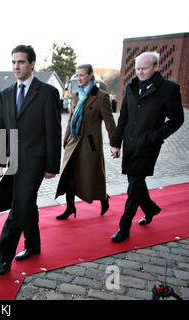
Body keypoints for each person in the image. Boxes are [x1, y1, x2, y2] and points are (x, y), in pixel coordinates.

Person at [0, 45, 61, 276]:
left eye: (21, 62)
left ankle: (3, 260)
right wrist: (0, 160)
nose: (16, 66)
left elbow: (54, 130)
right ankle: (33, 244)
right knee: (27, 203)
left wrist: (52, 165)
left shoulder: (48, 92)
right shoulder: (7, 93)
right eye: (13, 62)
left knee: (19, 205)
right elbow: (1, 128)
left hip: (36, 161)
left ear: (32, 64)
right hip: (14, 161)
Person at [110, 51, 184, 242]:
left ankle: (124, 228)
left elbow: (177, 119)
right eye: (137, 68)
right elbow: (123, 117)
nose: (140, 72)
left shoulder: (168, 89)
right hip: (130, 143)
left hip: (148, 145)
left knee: (133, 186)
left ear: (156, 67)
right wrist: (116, 143)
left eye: (144, 68)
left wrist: (155, 135)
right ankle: (150, 208)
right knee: (134, 182)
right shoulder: (131, 87)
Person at [54, 64, 116, 219]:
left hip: (90, 145)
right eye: (77, 75)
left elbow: (110, 123)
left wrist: (115, 144)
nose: (78, 78)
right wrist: (66, 138)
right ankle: (70, 208)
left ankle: (104, 198)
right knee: (68, 176)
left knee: (92, 178)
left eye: (81, 75)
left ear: (90, 75)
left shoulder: (101, 96)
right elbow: (71, 119)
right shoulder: (76, 95)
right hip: (73, 143)